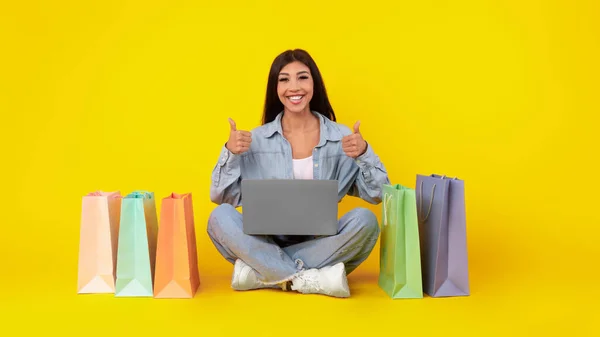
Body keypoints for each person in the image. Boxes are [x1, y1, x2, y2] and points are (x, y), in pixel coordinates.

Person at [207, 49, 390, 298]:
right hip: (264, 240)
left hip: (320, 243)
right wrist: (229, 152)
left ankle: (265, 273)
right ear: (275, 88)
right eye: (284, 79)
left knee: (366, 221)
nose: (294, 87)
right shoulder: (256, 139)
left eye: (302, 77)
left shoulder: (341, 137)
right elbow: (221, 196)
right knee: (219, 217)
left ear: (314, 83)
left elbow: (378, 193)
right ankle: (308, 279)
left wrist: (364, 152)